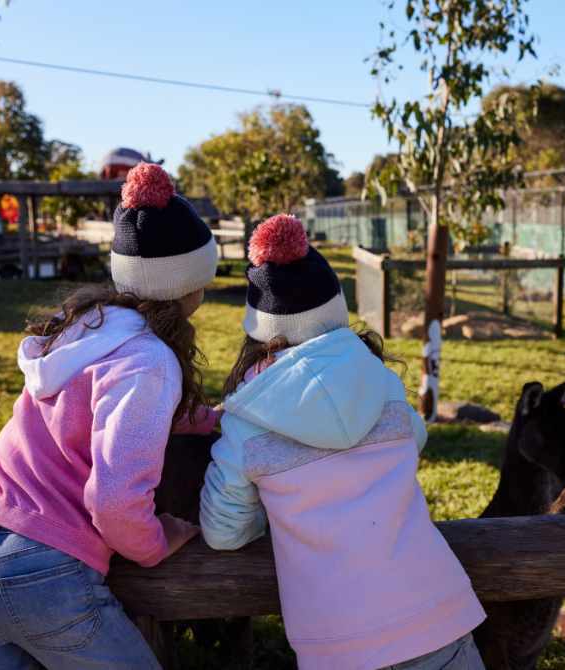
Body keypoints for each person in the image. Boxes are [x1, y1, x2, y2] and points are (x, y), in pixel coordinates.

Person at [0, 162, 219, 670]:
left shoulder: (85, 333)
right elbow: (114, 502)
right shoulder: (151, 361)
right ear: (189, 285)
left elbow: (96, 413)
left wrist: (203, 417)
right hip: (44, 573)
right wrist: (158, 542)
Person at [199, 214, 487, 670]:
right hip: (437, 615)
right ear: (336, 310)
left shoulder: (244, 421)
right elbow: (416, 437)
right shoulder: (384, 383)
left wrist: (273, 518)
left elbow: (220, 531)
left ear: (258, 329)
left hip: (336, 643)